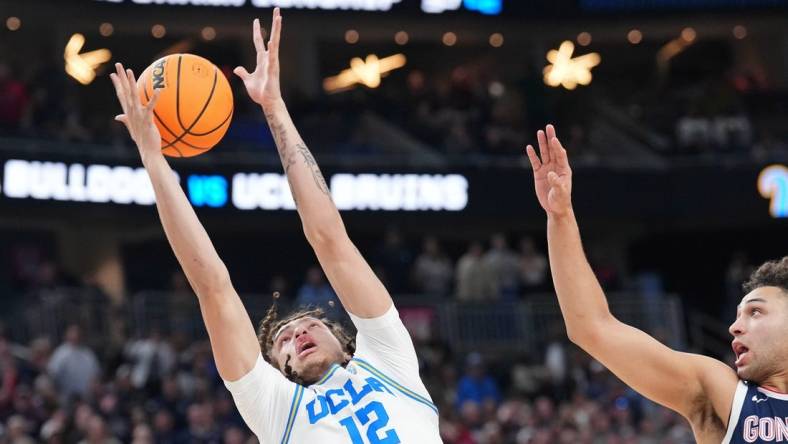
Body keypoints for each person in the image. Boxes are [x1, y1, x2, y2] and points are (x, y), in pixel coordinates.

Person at [108, 8, 440, 443]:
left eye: (307, 327)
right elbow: (213, 288)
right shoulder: (277, 409)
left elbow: (330, 240)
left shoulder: (390, 360)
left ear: (347, 345)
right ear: (277, 369)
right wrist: (153, 158)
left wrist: (274, 106)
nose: (297, 332)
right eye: (283, 341)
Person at [524, 123, 788, 443]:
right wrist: (560, 217)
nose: (735, 327)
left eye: (756, 312)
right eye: (738, 315)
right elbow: (591, 327)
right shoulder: (723, 394)